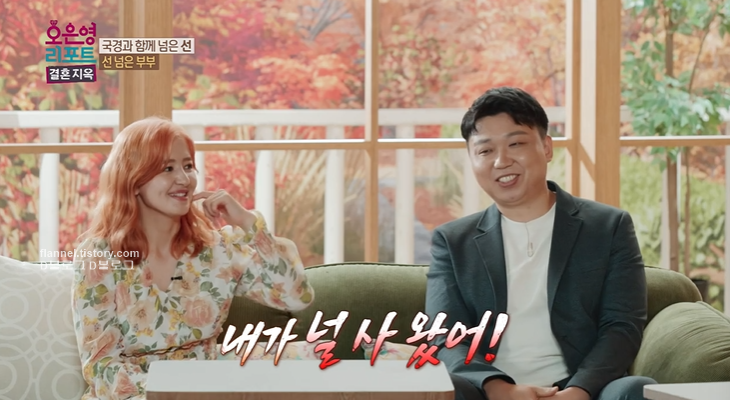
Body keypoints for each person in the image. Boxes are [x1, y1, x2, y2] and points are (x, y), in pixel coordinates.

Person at [424, 87, 657, 400]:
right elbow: (444, 336)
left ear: (546, 147)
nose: (501, 161)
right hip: (487, 391)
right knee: (442, 391)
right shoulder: (453, 241)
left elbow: (622, 325)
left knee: (637, 390)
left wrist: (578, 391)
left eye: (516, 144)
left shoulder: (608, 226)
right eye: (485, 150)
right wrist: (500, 389)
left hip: (582, 388)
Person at [71, 117, 315, 400]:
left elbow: (297, 296)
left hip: (208, 392)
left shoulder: (219, 249)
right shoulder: (98, 256)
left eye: (188, 166)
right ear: (134, 180)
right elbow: (100, 366)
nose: (184, 179)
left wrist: (248, 222)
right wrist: (174, 393)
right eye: (168, 168)